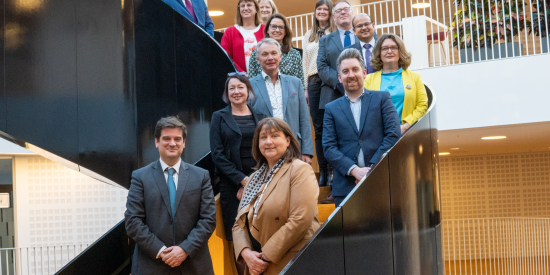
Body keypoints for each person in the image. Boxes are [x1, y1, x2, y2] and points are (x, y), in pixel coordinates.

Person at [125, 117, 216, 274]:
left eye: (177, 139)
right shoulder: (140, 177)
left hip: (194, 266)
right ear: (156, 142)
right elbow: (133, 221)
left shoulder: (201, 176)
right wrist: (161, 251)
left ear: (184, 143)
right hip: (152, 265)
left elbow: (208, 220)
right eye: (166, 138)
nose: (172, 143)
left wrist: (184, 249)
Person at [232, 117, 320, 275]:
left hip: (291, 261)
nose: (268, 142)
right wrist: (246, 254)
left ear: (287, 140)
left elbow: (301, 219)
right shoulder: (253, 179)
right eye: (263, 137)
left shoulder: (299, 170)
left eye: (274, 136)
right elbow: (239, 223)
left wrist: (266, 256)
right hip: (255, 263)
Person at [323, 48, 400, 207]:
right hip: (345, 188)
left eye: (355, 69)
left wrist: (372, 169)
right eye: (345, 71)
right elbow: (329, 147)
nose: (351, 75)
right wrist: (354, 170)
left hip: (381, 183)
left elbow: (393, 134)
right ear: (339, 77)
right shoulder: (331, 108)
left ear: (364, 72)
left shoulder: (382, 99)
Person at [210, 73, 266, 242]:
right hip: (231, 185)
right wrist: (242, 181)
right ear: (227, 93)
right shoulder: (218, 117)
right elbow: (217, 155)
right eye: (231, 88)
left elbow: (267, 151)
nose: (236, 91)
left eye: (240, 87)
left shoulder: (261, 116)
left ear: (248, 90)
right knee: (238, 237)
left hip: (260, 183)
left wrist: (252, 182)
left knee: (261, 235)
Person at [249, 38, 314, 165]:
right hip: (265, 152)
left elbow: (304, 118)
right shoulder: (249, 85)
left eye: (273, 53)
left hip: (293, 148)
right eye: (265, 54)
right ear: (258, 60)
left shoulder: (296, 83)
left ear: (280, 56)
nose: (270, 58)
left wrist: (306, 151)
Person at [316, 0, 356, 202]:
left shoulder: (362, 36)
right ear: (333, 16)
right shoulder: (325, 40)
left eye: (345, 9)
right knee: (333, 141)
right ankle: (334, 184)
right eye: (338, 10)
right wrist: (341, 83)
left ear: (352, 12)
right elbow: (321, 67)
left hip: (359, 94)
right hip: (333, 93)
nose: (342, 13)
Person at [364, 33, 428, 134]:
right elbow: (364, 109)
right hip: (378, 135)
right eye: (384, 48)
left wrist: (405, 126)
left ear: (400, 51)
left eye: (393, 47)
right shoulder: (368, 80)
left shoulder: (415, 77)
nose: (389, 51)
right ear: (379, 53)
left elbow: (422, 105)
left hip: (406, 133)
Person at [302, 0, 337, 187]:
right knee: (318, 129)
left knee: (331, 126)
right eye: (319, 9)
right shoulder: (309, 35)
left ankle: (333, 169)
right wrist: (306, 87)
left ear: (331, 13)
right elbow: (305, 62)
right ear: (315, 13)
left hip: (330, 81)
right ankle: (323, 170)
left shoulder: (335, 32)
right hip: (314, 81)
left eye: (326, 9)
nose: (322, 11)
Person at [248, 14, 305, 88]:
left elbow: (300, 82)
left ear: (285, 32)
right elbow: (252, 83)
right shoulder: (256, 53)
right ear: (268, 30)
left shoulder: (295, 54)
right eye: (274, 26)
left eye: (281, 27)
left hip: (289, 96)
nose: (277, 30)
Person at [221, 0, 265, 73]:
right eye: (242, 6)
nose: (245, 8)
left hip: (264, 78)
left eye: (249, 5)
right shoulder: (230, 31)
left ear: (256, 9)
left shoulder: (265, 29)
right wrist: (242, 75)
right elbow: (225, 57)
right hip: (240, 80)